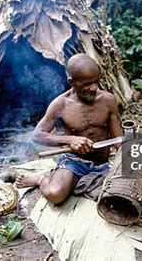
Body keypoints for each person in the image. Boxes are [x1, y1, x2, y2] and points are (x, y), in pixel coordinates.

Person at [15, 53, 122, 204]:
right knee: (55, 194)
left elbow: (119, 141)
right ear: (72, 82)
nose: (93, 88)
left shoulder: (108, 100)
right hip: (74, 161)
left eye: (96, 82)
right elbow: (37, 135)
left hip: (103, 165)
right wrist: (70, 139)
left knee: (123, 195)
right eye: (86, 84)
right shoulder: (60, 104)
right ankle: (42, 178)